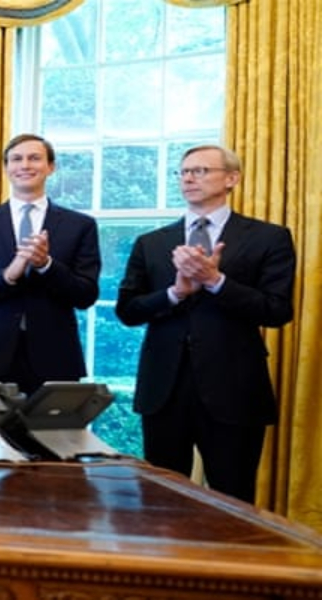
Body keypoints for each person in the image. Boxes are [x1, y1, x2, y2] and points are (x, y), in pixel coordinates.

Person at [116, 144, 295, 504]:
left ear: (232, 179)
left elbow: (277, 311)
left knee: (233, 501)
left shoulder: (268, 237)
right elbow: (128, 311)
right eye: (183, 172)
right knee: (161, 501)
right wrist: (175, 293)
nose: (188, 178)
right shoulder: (151, 243)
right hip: (164, 390)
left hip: (235, 388)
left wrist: (216, 282)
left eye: (200, 171)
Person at [0, 133, 100, 396]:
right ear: (6, 168)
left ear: (51, 167)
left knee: (50, 427)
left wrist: (46, 265)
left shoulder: (80, 225)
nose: (25, 165)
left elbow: (86, 295)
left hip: (56, 359)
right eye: (16, 159)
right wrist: (8, 275)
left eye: (34, 158)